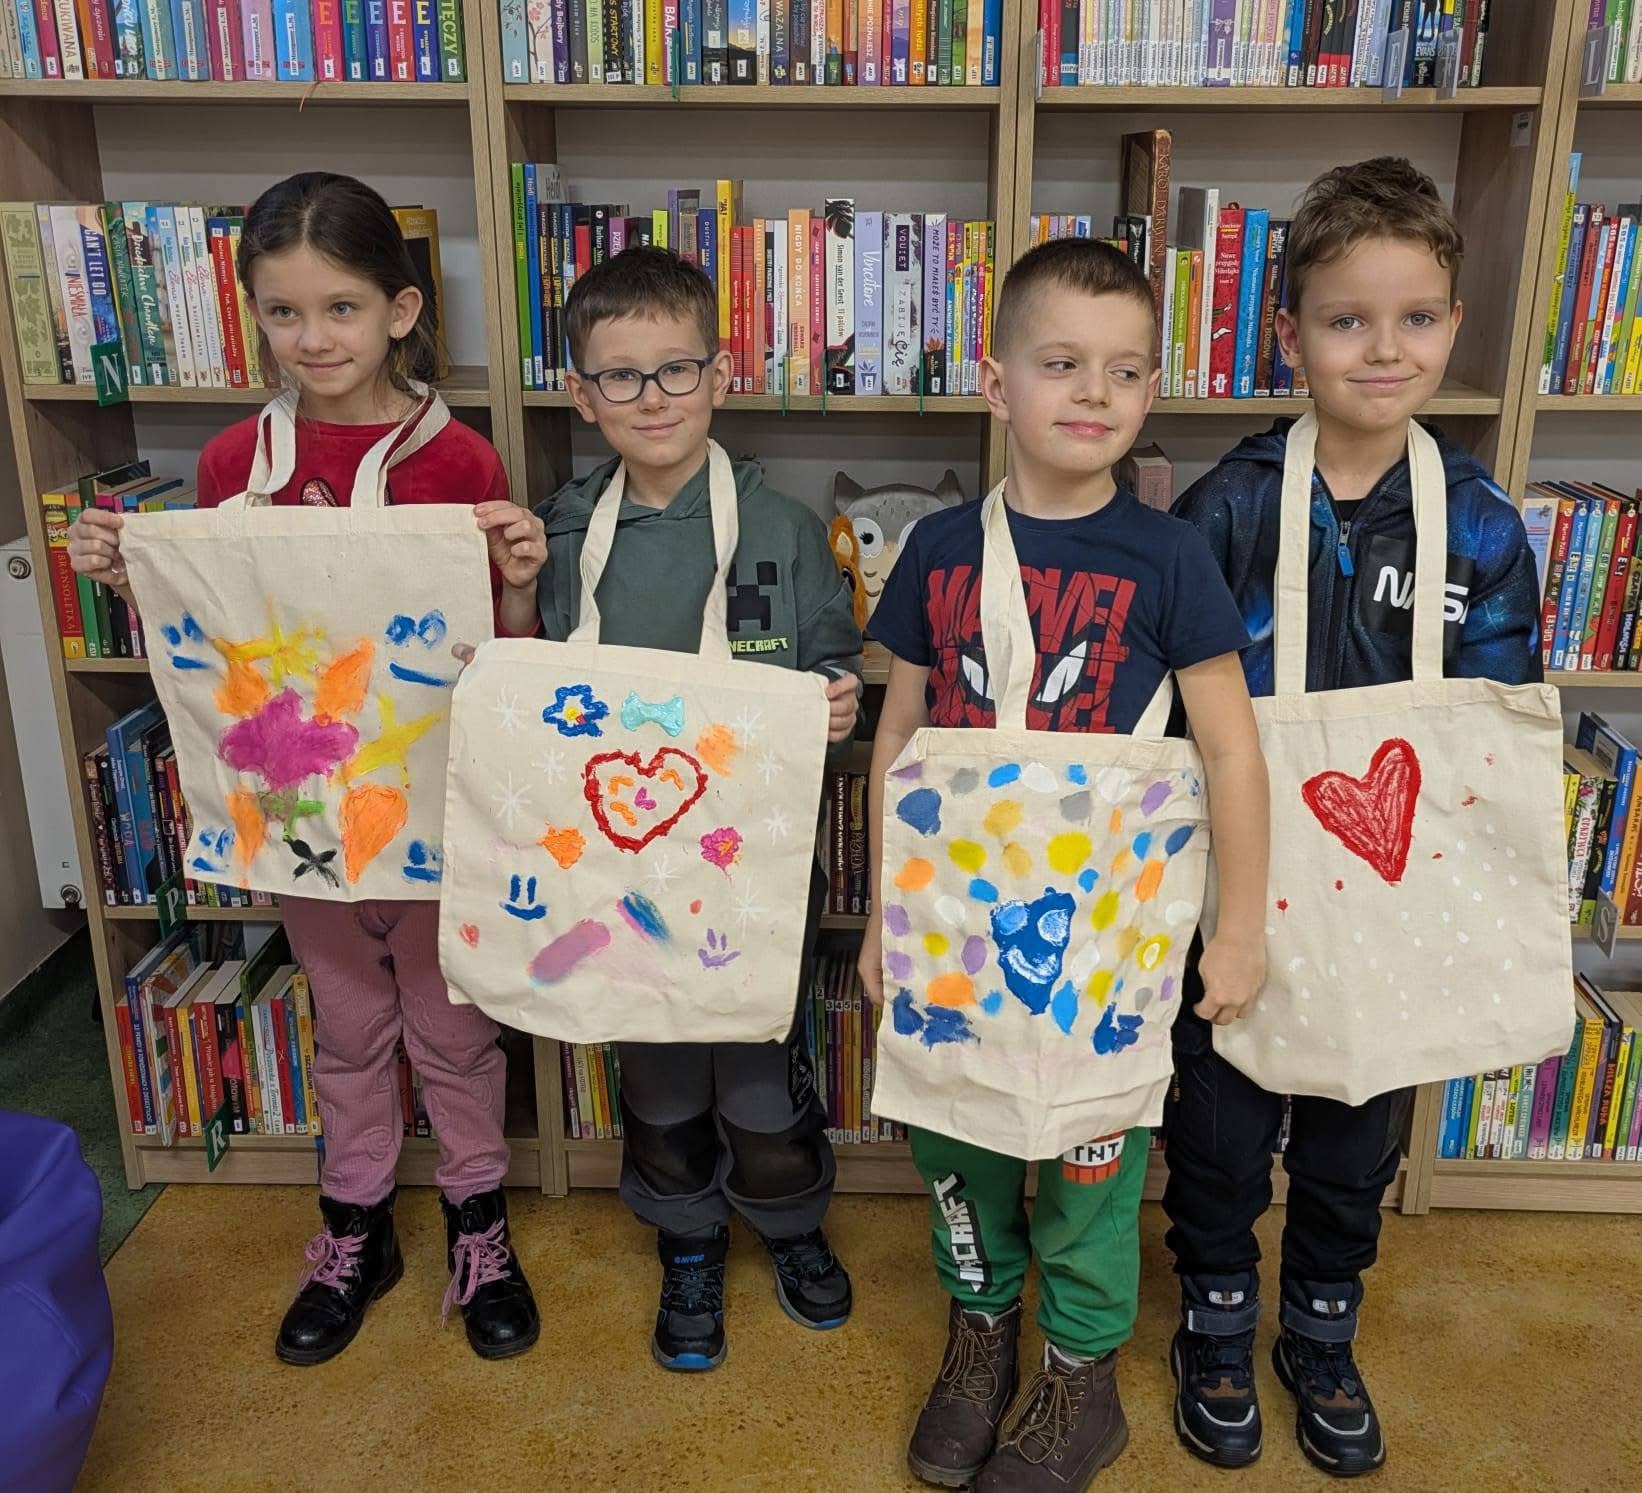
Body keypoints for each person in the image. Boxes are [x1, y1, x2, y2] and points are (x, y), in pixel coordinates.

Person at [66, 172, 547, 1366]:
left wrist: (518, 582)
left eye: (340, 307)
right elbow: (214, 640)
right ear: (254, 317)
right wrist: (136, 573)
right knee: (347, 1025)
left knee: (453, 1030)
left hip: (431, 810)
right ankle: (356, 1225)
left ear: (399, 310)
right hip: (301, 813)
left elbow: (506, 656)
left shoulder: (456, 459)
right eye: (283, 312)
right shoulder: (235, 457)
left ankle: (477, 1219)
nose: (313, 337)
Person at [861, 236, 1270, 1492]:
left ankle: (1082, 1375)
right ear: (996, 384)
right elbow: (900, 734)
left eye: (1125, 370)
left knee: (1094, 1159)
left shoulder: (1170, 555)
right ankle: (981, 1327)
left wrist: (1239, 927)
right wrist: (879, 917)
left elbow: (1230, 748)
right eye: (1060, 363)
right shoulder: (939, 547)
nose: (1094, 392)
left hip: (1108, 939)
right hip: (951, 926)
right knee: (961, 1145)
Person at [1165, 157, 1541, 1477]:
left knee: (1353, 1132)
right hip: (1240, 885)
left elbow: (1489, 735)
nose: (1383, 348)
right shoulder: (1225, 508)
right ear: (1289, 335)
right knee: (1218, 1127)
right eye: (1345, 319)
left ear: (1452, 324)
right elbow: (1172, 708)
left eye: (1415, 317)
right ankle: (1216, 1315)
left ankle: (1320, 1323)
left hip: (1396, 890)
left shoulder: (1480, 527)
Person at [536, 244, 863, 1372]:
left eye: (676, 369)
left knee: (761, 1075)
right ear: (581, 393)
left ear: (720, 374)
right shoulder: (563, 535)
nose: (652, 397)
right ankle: (686, 1238)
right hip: (622, 874)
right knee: (663, 1076)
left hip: (757, 868)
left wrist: (838, 697)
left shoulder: (784, 529)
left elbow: (835, 664)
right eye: (620, 376)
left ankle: (789, 1219)